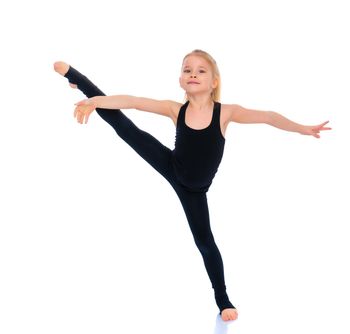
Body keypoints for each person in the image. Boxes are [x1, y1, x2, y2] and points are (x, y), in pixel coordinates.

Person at [53, 49, 331, 322]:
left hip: (195, 191)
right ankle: (80, 81)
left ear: (214, 82)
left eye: (200, 70)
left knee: (206, 243)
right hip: (172, 167)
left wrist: (302, 128)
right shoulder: (176, 109)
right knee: (126, 128)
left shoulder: (226, 113)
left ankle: (222, 300)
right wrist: (98, 100)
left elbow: (269, 117)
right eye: (187, 70)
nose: (193, 74)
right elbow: (134, 101)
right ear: (180, 79)